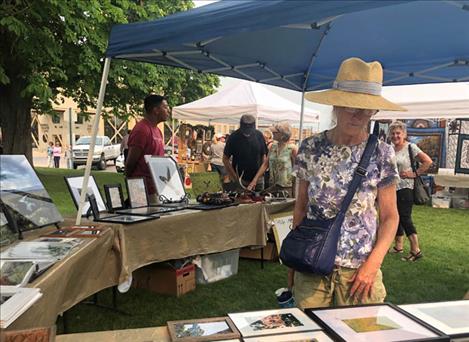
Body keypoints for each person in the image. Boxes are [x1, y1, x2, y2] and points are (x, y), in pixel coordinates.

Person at [291, 57, 402, 308]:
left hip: (359, 273)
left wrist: (372, 265)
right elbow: (301, 207)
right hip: (310, 266)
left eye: (367, 108)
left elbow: (390, 217)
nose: (359, 115)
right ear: (337, 105)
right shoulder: (311, 148)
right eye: (353, 106)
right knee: (310, 335)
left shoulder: (382, 153)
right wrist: (293, 262)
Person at [388, 121, 432, 261]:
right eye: (393, 133)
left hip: (406, 187)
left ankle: (415, 250)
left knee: (405, 217)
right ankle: (398, 246)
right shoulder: (390, 149)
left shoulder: (410, 147)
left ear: (404, 134)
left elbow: (428, 161)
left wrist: (415, 174)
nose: (395, 136)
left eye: (398, 133)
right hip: (393, 187)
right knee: (397, 216)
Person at [125, 94, 170, 204]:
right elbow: (130, 162)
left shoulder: (158, 131)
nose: (168, 110)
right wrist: (134, 187)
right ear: (156, 110)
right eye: (165, 107)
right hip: (142, 189)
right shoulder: (142, 130)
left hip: (157, 186)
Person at [249, 122, 298, 197]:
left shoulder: (292, 148)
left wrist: (295, 192)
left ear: (282, 134)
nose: (272, 133)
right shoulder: (273, 146)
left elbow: (297, 172)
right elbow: (265, 164)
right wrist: (254, 180)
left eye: (275, 132)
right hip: (272, 186)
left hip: (286, 187)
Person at [223, 114, 268, 192]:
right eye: (245, 130)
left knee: (259, 202)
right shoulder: (234, 137)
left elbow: (264, 157)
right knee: (241, 203)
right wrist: (235, 178)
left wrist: (256, 179)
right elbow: (225, 159)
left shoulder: (259, 135)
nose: (247, 133)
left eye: (250, 131)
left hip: (258, 180)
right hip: (240, 180)